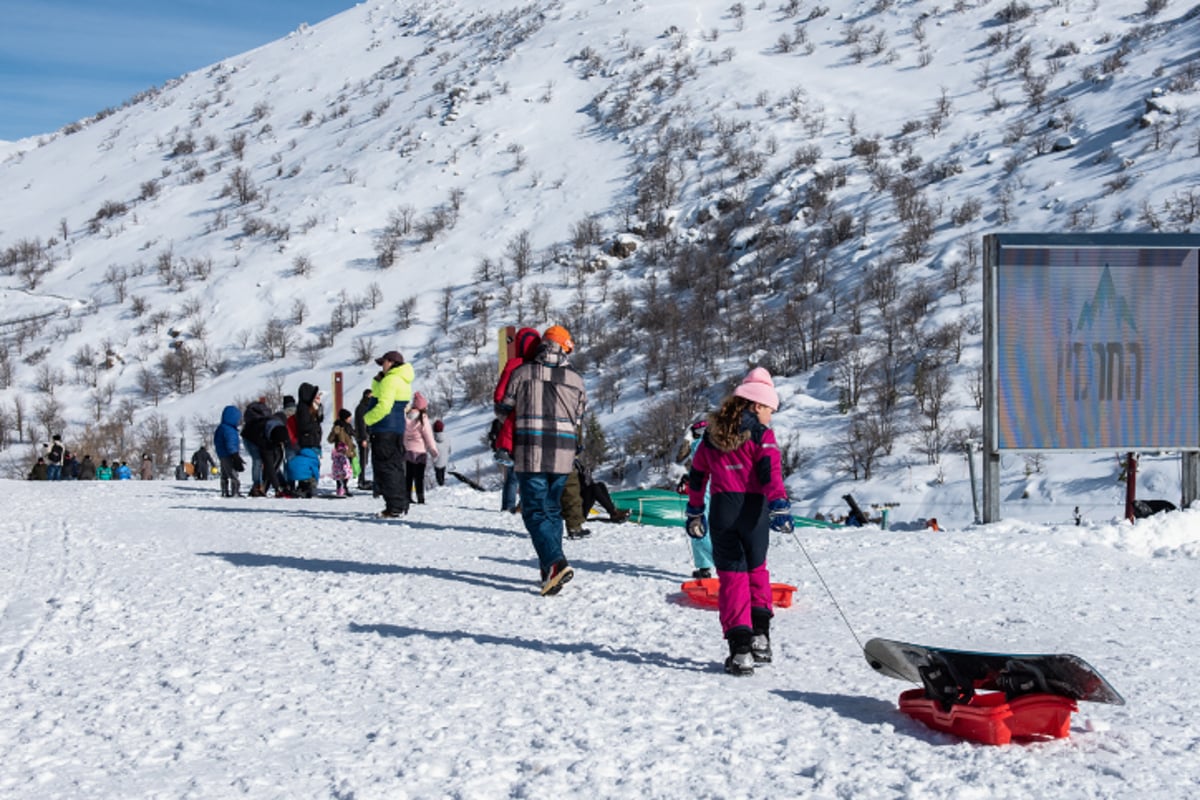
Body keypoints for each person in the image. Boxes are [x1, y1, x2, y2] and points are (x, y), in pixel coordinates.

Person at [685, 367, 793, 676]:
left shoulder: (712, 435)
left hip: (722, 510)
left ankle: (740, 652)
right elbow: (771, 474)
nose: (771, 416)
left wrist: (694, 510)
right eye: (770, 409)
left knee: (732, 579)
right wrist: (779, 505)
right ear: (757, 405)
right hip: (754, 511)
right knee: (757, 571)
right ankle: (760, 638)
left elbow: (697, 475)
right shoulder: (762, 435)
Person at [495, 325, 587, 596]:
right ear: (565, 348)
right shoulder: (576, 380)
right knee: (552, 510)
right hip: (563, 453)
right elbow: (579, 417)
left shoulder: (522, 373)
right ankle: (549, 569)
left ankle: (555, 563)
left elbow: (504, 409)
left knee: (534, 511)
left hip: (530, 450)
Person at [492, 327, 541, 512]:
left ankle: (509, 504)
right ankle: (526, 503)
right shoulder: (540, 367)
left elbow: (500, 394)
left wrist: (505, 413)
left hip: (513, 420)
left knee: (513, 470)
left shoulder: (514, 364)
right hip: (535, 421)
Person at [362, 350, 415, 518]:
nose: (381, 366)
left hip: (384, 429)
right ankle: (400, 503)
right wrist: (378, 382)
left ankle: (394, 507)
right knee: (395, 467)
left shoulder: (391, 380)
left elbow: (384, 406)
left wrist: (368, 419)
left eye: (383, 363)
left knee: (385, 468)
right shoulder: (402, 380)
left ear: (391, 362)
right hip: (396, 429)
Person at [677, 419, 716, 579]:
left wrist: (687, 440)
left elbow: (681, 457)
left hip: (703, 490)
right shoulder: (718, 444)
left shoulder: (698, 444)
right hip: (721, 489)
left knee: (698, 526)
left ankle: (714, 564)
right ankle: (705, 565)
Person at [562, 458, 631, 538]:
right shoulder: (566, 468)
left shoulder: (576, 464)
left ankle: (613, 512)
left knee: (600, 485)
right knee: (594, 488)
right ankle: (614, 513)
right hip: (572, 509)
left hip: (578, 502)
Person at [285, 383, 324, 498]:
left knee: (309, 463)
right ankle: (306, 484)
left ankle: (306, 484)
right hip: (308, 441)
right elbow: (304, 426)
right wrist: (315, 425)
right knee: (309, 463)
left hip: (311, 441)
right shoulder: (303, 408)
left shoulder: (307, 407)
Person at [403, 392, 438, 505]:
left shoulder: (406, 417)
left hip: (408, 450)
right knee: (419, 477)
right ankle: (420, 498)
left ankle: (407, 496)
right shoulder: (422, 419)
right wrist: (433, 450)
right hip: (420, 452)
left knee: (408, 475)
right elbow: (428, 435)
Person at [241, 398, 272, 495]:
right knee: (258, 460)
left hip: (248, 438)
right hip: (253, 439)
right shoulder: (263, 420)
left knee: (257, 461)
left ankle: (257, 484)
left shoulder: (254, 418)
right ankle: (258, 484)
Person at [214, 404, 244, 498]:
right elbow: (231, 444)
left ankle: (224, 491)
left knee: (224, 473)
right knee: (233, 474)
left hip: (222, 454)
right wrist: (235, 456)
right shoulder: (229, 430)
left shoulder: (221, 427)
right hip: (229, 454)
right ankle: (235, 492)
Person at [354, 389, 374, 491]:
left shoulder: (367, 407)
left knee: (365, 459)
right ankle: (361, 480)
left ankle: (363, 479)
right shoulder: (362, 408)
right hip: (363, 436)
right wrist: (363, 438)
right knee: (363, 458)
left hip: (367, 436)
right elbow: (361, 424)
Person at [432, 419, 450, 486]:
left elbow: (433, 454)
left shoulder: (433, 441)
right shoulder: (446, 438)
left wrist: (434, 462)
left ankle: (441, 487)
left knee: (439, 478)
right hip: (444, 461)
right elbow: (449, 450)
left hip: (437, 463)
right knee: (442, 475)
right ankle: (442, 485)